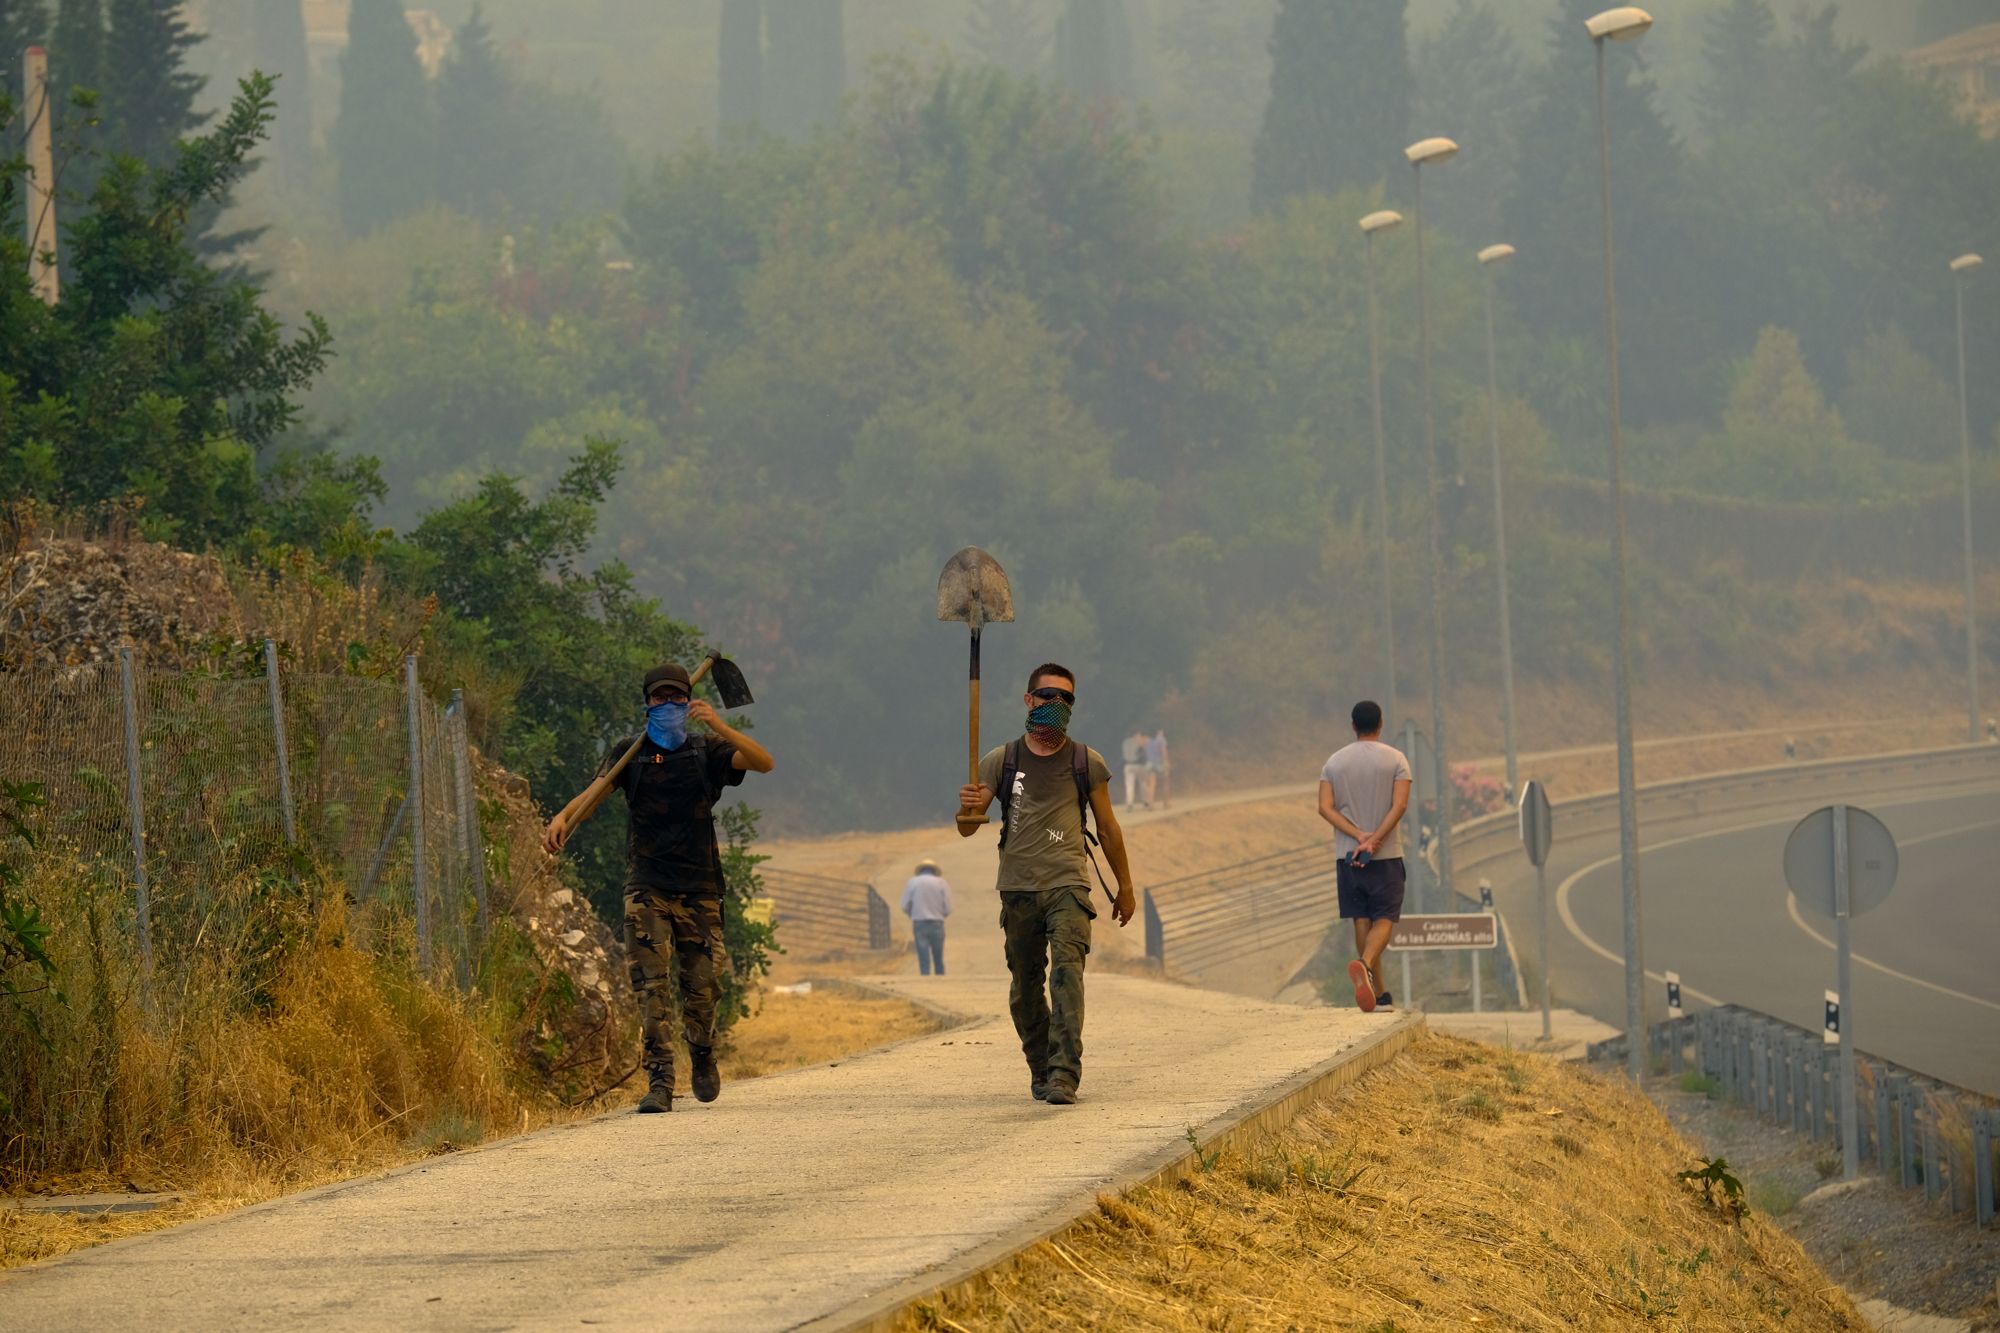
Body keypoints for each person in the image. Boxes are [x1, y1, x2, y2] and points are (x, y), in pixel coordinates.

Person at [542, 662, 775, 1114]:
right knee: (650, 986)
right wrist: (562, 819)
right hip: (647, 886)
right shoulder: (629, 753)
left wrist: (720, 726)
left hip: (700, 890)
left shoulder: (707, 751)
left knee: (702, 986)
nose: (668, 704)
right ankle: (660, 1081)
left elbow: (764, 763)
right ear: (647, 703)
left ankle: (702, 1053)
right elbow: (593, 796)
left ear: (688, 703)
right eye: (659, 697)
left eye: (676, 697)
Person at [957, 663, 1137, 1106]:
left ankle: (1064, 1073)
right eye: (1047, 696)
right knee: (1024, 987)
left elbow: (1109, 829)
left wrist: (1126, 887)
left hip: (1068, 885)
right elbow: (967, 828)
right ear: (1028, 700)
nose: (1055, 704)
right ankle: (1040, 1066)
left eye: (1065, 699)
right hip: (1017, 888)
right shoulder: (1001, 760)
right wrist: (968, 807)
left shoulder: (1085, 762)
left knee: (1067, 975)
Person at [1317, 699, 1411, 1014]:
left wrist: (1358, 836)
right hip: (1386, 856)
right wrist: (1375, 839)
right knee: (1384, 918)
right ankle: (1365, 964)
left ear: (1353, 725)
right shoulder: (1396, 760)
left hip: (1347, 856)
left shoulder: (1333, 763)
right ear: (1380, 724)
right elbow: (1399, 806)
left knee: (1361, 918)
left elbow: (1324, 807)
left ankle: (1379, 992)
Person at [900, 860, 953, 976]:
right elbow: (948, 907)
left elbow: (904, 905)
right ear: (934, 870)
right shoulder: (941, 883)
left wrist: (912, 913)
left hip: (919, 922)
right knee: (938, 956)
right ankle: (940, 980)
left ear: (920, 870)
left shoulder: (913, 882)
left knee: (923, 956)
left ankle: (925, 980)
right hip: (937, 923)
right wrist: (941, 914)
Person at [1122, 727, 1152, 808]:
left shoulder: (1125, 742)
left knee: (1129, 785)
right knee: (1143, 783)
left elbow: (1124, 754)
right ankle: (1145, 801)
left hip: (1128, 765)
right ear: (1136, 734)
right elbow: (1144, 751)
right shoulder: (1138, 742)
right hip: (1139, 765)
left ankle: (1129, 803)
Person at [1145, 728, 1171, 809]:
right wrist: (1166, 762)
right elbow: (1164, 751)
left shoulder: (1147, 741)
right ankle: (1166, 803)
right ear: (1158, 732)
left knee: (1151, 784)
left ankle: (1150, 804)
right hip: (1160, 764)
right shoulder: (1161, 739)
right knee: (1165, 783)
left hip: (1150, 764)